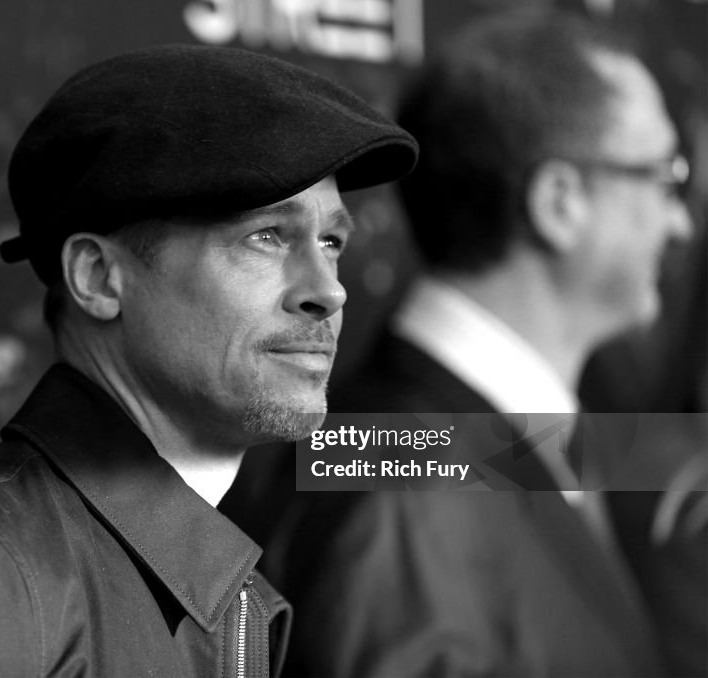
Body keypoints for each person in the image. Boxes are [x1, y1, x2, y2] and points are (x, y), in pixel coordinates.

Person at [0, 44, 417, 677]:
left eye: (331, 241)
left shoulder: (213, 589)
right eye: (267, 236)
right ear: (97, 277)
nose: (328, 290)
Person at [243, 9, 692, 677]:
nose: (679, 221)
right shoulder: (395, 482)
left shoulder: (465, 447)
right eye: (663, 177)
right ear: (560, 203)